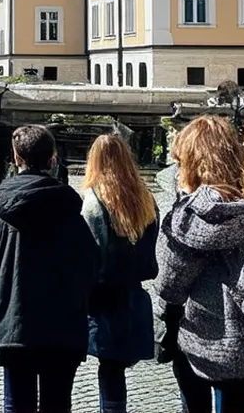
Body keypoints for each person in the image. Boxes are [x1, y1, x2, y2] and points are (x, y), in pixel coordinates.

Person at [153, 115, 244, 413]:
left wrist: (163, 318)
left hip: (196, 332)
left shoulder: (186, 216)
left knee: (195, 404)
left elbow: (170, 282)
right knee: (237, 403)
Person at [0, 124, 97, 413]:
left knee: (17, 404)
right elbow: (91, 267)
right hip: (64, 327)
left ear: (16, 158)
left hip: (15, 324)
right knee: (58, 404)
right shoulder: (72, 215)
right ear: (53, 159)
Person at [80, 134, 158, 413]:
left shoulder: (92, 202)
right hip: (134, 294)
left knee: (109, 369)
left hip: (103, 297)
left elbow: (87, 254)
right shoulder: (146, 199)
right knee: (117, 367)